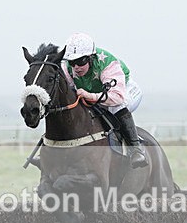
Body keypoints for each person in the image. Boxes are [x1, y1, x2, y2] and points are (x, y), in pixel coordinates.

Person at [62, 32, 147, 168]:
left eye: (81, 61)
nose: (76, 67)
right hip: (98, 95)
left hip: (126, 92)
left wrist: (89, 96)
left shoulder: (107, 64)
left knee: (116, 107)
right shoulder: (67, 68)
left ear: (90, 58)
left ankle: (136, 149)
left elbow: (117, 97)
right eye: (72, 62)